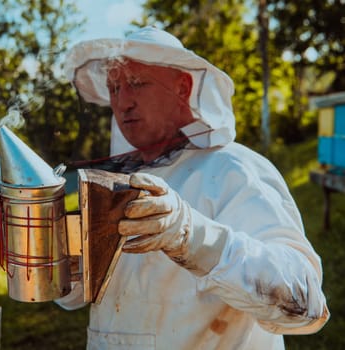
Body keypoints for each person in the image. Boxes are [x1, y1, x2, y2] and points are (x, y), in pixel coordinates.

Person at [55, 26, 329, 349]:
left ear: (182, 87)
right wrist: (59, 256)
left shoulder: (234, 170)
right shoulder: (118, 181)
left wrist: (193, 236)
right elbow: (91, 296)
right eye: (114, 88)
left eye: (137, 84)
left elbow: (305, 303)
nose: (123, 102)